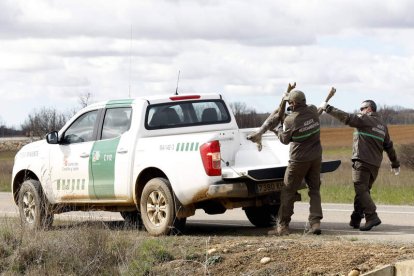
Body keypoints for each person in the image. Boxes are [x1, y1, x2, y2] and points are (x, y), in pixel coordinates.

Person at [321, 99, 400, 231]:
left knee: (360, 189)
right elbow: (389, 146)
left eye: (362, 108)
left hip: (362, 161)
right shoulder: (382, 126)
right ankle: (356, 218)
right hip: (374, 165)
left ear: (369, 109)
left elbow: (347, 117)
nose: (360, 111)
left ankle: (372, 216)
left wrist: (328, 108)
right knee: (363, 191)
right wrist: (395, 163)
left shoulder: (364, 120)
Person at [269, 90, 323, 236]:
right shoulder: (312, 110)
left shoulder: (290, 120)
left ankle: (283, 226)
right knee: (314, 190)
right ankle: (315, 222)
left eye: (290, 103)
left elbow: (284, 140)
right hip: (316, 156)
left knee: (288, 191)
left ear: (293, 103)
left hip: (298, 160)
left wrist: (279, 128)